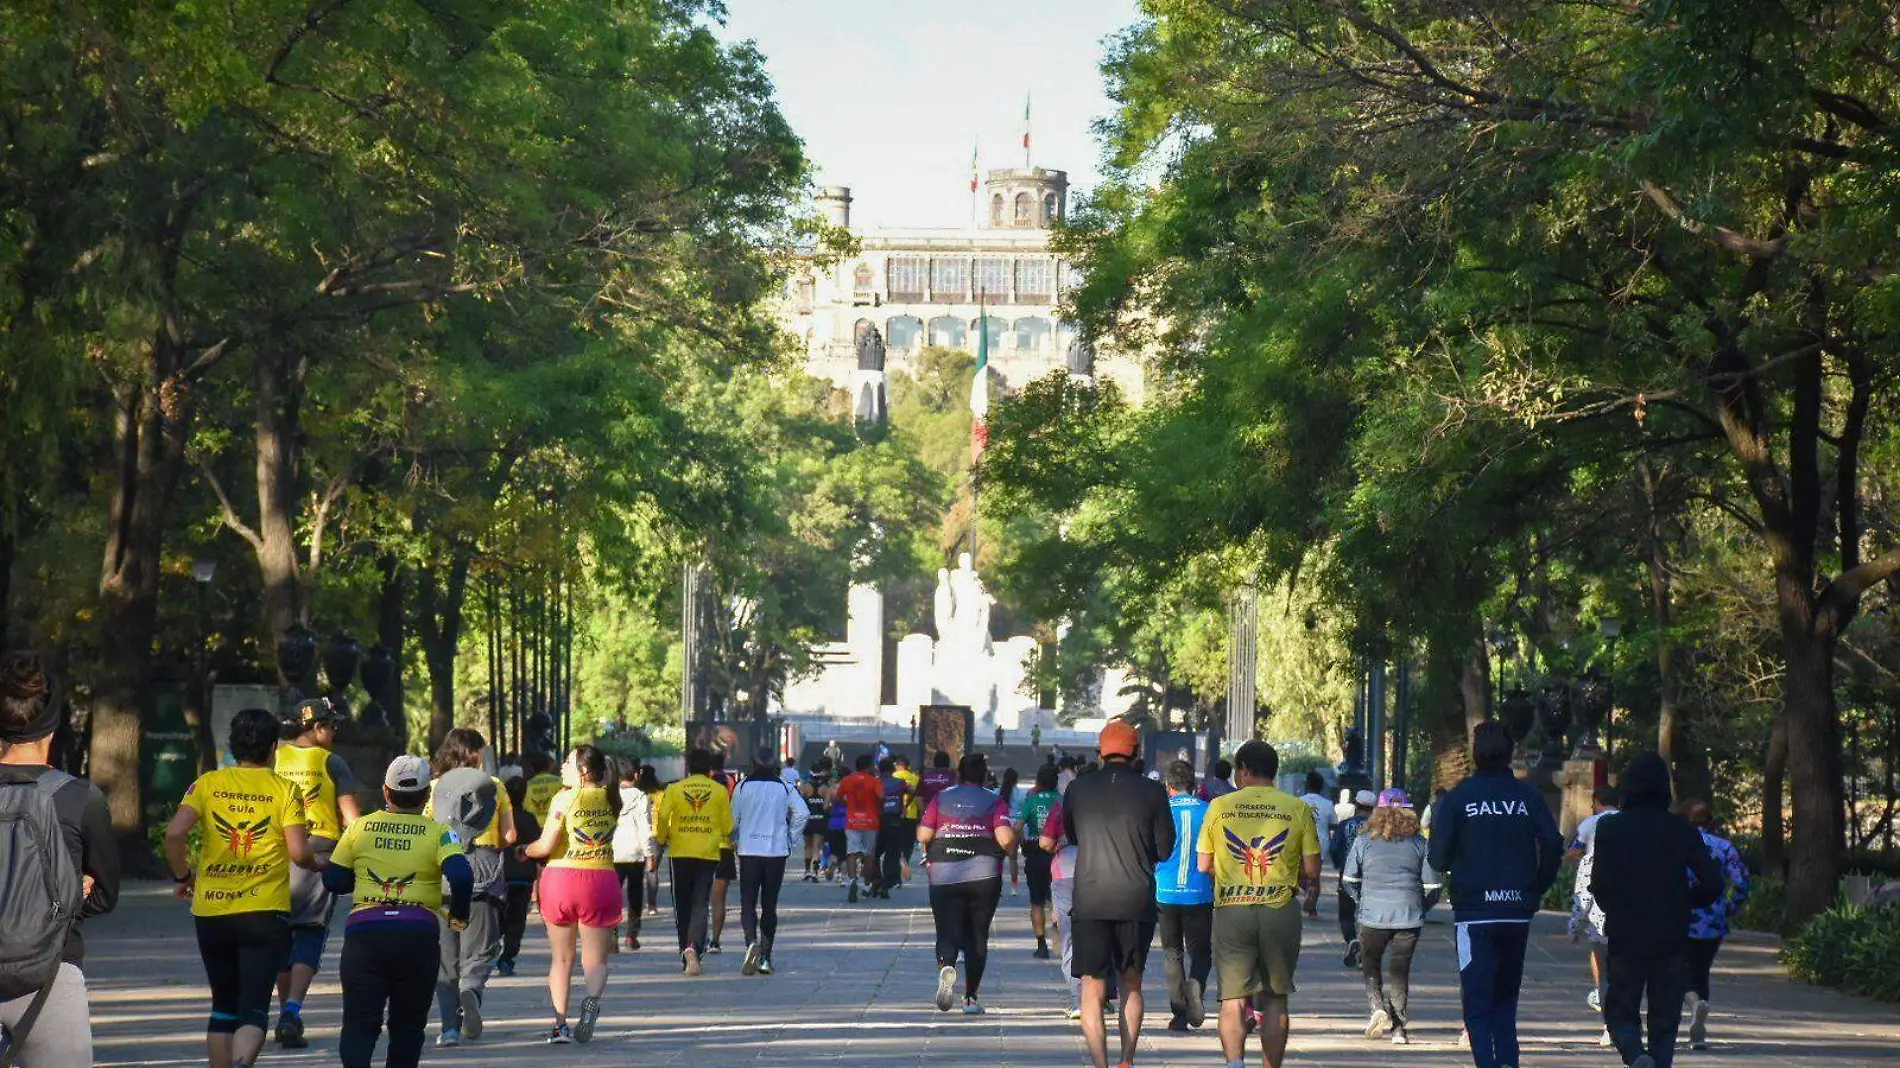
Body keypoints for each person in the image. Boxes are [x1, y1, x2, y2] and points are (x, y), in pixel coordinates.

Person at [167, 708, 322, 1068]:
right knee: (252, 1007)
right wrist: (319, 864)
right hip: (263, 913)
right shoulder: (285, 789)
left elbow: (174, 835)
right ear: (272, 749)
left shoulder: (207, 784)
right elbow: (300, 854)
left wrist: (182, 877)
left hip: (212, 911)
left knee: (223, 1004)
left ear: (234, 746)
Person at [0, 651, 120, 1067]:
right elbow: (105, 896)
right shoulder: (79, 798)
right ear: (51, 729)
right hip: (51, 975)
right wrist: (75, 887)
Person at [322, 755, 473, 1068]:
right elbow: (460, 875)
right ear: (426, 795)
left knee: (359, 1024)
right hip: (417, 937)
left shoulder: (359, 829)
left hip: (365, 936)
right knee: (407, 1027)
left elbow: (334, 880)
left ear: (386, 792)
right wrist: (458, 916)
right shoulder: (440, 833)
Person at [1428, 721, 1563, 1068]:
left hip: (1476, 914)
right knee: (1506, 999)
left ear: (1475, 755)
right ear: (1510, 753)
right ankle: (1507, 1061)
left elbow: (1438, 857)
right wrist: (1537, 885)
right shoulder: (1527, 796)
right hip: (1517, 911)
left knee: (1477, 1002)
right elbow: (1551, 842)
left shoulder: (1459, 798)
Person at [1590, 752, 1723, 1068]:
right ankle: (1660, 1060)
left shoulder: (1611, 828)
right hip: (1671, 930)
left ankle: (1635, 1054)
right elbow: (1712, 883)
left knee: (1621, 1003)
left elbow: (1600, 883)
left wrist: (1615, 906)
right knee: (1666, 1010)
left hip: (1626, 928)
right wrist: (1684, 902)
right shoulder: (1681, 830)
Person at [1198, 740, 1321, 1068]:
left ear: (1244, 770)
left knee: (1232, 999)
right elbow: (1311, 869)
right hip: (1280, 910)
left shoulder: (1219, 807)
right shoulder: (1297, 808)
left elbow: (1203, 865)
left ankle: (1235, 1064)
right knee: (1276, 997)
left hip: (1232, 911)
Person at [1062, 721, 1174, 1068]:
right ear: (1136, 752)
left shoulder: (1078, 790)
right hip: (1135, 899)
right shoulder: (1152, 792)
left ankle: (1100, 1064)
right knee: (1131, 982)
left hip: (1091, 899)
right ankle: (1127, 1060)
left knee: (1092, 989)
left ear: (1100, 752)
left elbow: (1074, 836)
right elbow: (1165, 848)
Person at [271, 698, 360, 1050]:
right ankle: (292, 1009)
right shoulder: (332, 762)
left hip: (276, 853)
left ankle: (284, 1012)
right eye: (333, 726)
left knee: (281, 934)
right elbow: (352, 821)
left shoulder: (274, 756)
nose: (335, 732)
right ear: (318, 727)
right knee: (309, 932)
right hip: (318, 855)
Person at [522, 745, 621, 1044]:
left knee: (561, 960)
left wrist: (524, 851)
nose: (562, 766)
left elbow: (545, 845)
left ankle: (560, 1026)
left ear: (583, 770)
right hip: (601, 879)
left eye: (568, 762)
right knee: (596, 962)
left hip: (562, 879)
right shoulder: (612, 798)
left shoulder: (565, 798)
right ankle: (591, 1000)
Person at [425, 728, 514, 1047]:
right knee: (481, 949)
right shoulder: (495, 787)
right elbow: (509, 837)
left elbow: (424, 833)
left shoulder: (432, 788)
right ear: (474, 753)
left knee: (446, 958)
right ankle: (472, 987)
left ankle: (449, 1028)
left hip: (444, 881)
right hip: (483, 878)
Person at [1342, 788, 1440, 1045]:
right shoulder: (1420, 843)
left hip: (1372, 915)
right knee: (1400, 970)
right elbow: (1433, 887)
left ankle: (1376, 1008)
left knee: (1371, 963)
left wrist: (1362, 901)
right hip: (1409, 915)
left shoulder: (1364, 840)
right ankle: (1399, 1029)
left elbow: (1349, 879)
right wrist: (1421, 907)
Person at [919, 751, 1014, 1014]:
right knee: (977, 935)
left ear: (959, 772)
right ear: (984, 774)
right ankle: (971, 998)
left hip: (943, 874)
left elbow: (924, 832)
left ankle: (947, 963)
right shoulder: (995, 801)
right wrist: (1014, 849)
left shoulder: (942, 798)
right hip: (983, 876)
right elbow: (1005, 839)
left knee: (946, 928)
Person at [654, 747, 733, 975]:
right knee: (700, 903)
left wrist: (661, 838)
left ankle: (684, 951)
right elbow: (728, 825)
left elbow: (662, 816)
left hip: (679, 853)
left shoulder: (675, 789)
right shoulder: (718, 791)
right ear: (709, 769)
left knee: (682, 905)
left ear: (688, 766)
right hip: (707, 854)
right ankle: (693, 947)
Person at [1679, 800, 1749, 1051]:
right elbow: (1741, 882)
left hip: (1680, 916)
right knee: (1701, 971)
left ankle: (1694, 1003)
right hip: (1713, 918)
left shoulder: (1678, 845)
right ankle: (1699, 1033)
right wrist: (1731, 908)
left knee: (1677, 970)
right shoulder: (1725, 847)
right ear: (1711, 822)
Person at [732, 746, 806, 976]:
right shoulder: (784, 786)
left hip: (749, 851)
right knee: (769, 904)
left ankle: (750, 943)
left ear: (753, 764)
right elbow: (802, 813)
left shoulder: (742, 786)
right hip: (775, 851)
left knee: (747, 901)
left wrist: (737, 837)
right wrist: (790, 837)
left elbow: (733, 819)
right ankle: (766, 956)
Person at [1156, 760, 1213, 1033]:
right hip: (1200, 892)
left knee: (1172, 953)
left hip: (1165, 892)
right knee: (1201, 954)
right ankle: (1196, 984)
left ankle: (1179, 1015)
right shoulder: (1209, 811)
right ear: (1194, 786)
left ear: (1169, 786)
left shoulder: (1161, 810)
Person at [1566, 784, 1621, 1015]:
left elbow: (1573, 852)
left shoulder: (1591, 824)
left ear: (1597, 801)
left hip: (1600, 911)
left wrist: (1575, 926)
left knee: (1600, 956)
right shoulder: (1629, 821)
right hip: (1632, 907)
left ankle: (1603, 999)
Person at [495, 775, 541, 978]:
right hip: (522, 877)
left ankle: (490, 953)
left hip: (499, 876)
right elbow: (537, 847)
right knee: (516, 921)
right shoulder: (529, 819)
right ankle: (507, 959)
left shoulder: (497, 818)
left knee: (496, 919)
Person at [1017, 764, 1062, 960]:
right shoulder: (1062, 800)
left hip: (1035, 852)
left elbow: (1017, 826)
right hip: (1058, 852)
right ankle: (1059, 938)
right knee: (1056, 900)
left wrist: (1019, 845)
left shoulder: (1031, 801)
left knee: (1037, 902)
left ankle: (1041, 944)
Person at [611, 757, 653, 952]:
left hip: (613, 852)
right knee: (635, 896)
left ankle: (611, 934)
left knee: (612, 896)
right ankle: (631, 936)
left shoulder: (609, 796)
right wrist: (649, 854)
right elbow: (645, 827)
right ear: (636, 775)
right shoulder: (642, 797)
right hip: (635, 853)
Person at [1332, 788, 1373, 966]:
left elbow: (1334, 848)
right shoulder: (1378, 828)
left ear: (1356, 805)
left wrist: (1339, 863)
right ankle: (1366, 952)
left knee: (1346, 915)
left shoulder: (1345, 825)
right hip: (1372, 877)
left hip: (1348, 876)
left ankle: (1351, 940)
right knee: (1368, 916)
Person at [837, 753, 884, 902]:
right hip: (870, 821)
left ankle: (852, 881)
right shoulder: (875, 781)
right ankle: (865, 884)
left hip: (852, 821)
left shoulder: (846, 780)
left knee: (851, 853)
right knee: (869, 855)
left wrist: (848, 805)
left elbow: (839, 797)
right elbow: (882, 797)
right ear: (868, 766)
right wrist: (878, 807)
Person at [706, 753, 740, 953]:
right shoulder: (731, 782)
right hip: (725, 846)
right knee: (719, 898)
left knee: (700, 896)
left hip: (702, 844)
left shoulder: (702, 784)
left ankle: (696, 938)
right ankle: (715, 941)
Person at [873, 756, 912, 897]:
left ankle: (876, 879)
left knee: (874, 854)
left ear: (879, 769)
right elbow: (912, 790)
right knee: (891, 854)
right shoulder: (900, 783)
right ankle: (886, 884)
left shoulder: (875, 782)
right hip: (895, 821)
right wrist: (905, 805)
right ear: (893, 769)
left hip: (877, 822)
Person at [636, 765, 666, 913]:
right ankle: (652, 905)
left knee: (636, 871)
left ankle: (635, 904)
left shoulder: (637, 794)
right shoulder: (661, 794)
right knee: (652, 870)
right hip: (656, 835)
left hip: (637, 835)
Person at [894, 754, 923, 883]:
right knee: (909, 843)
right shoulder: (915, 778)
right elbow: (918, 798)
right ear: (908, 766)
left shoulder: (893, 777)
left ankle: (900, 861)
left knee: (897, 842)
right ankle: (905, 859)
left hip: (896, 813)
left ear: (897, 766)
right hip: (911, 815)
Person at [1297, 771, 1335, 861]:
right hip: (1321, 845)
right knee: (1315, 873)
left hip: (1301, 844)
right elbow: (1333, 826)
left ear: (1306, 785)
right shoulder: (1328, 804)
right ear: (1321, 787)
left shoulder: (1297, 802)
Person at [522, 753, 563, 824]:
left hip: (534, 825)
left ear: (532, 768)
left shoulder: (527, 785)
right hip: (554, 823)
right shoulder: (559, 782)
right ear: (548, 765)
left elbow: (525, 806)